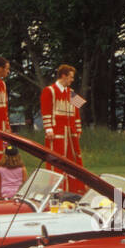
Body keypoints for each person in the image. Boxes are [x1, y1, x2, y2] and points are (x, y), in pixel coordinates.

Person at [41, 63, 85, 194]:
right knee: (57, 162)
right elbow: (46, 111)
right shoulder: (49, 90)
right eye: (70, 77)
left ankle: (76, 190)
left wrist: (78, 129)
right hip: (57, 134)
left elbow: (77, 111)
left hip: (71, 134)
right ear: (63, 76)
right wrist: (48, 129)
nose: (72, 80)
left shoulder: (71, 93)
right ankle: (57, 191)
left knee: (74, 161)